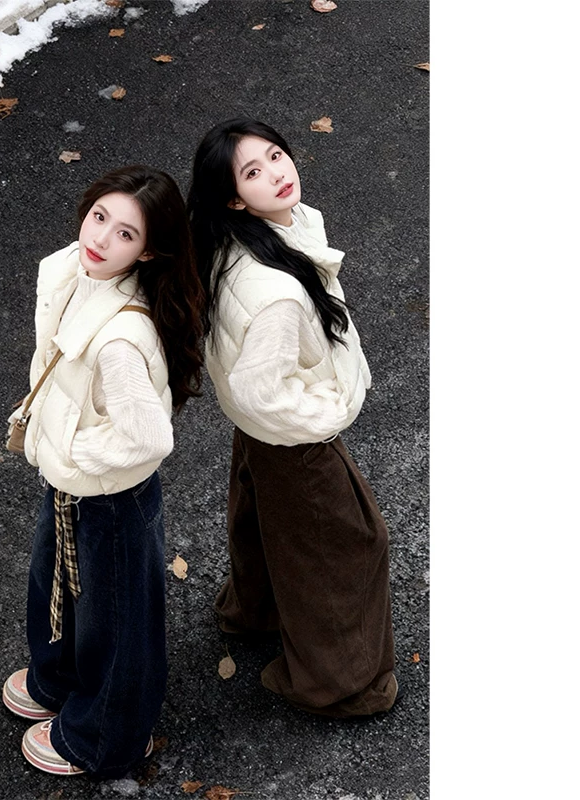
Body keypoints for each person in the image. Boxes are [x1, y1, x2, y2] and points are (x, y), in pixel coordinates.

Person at [187, 118, 398, 718]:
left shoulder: (254, 234)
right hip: (293, 436)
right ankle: (342, 686)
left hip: (263, 434)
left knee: (265, 522)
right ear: (234, 198)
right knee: (349, 547)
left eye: (276, 155)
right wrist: (325, 415)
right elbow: (260, 392)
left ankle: (255, 613)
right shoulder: (275, 293)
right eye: (253, 172)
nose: (277, 174)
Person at [3, 165, 204, 777]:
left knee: (116, 620)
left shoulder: (120, 340)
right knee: (57, 583)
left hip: (110, 495)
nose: (100, 239)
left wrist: (70, 454)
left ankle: (106, 737)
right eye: (99, 217)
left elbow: (149, 438)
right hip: (71, 479)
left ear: (148, 251)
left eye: (125, 234)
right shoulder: (73, 274)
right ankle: (61, 680)